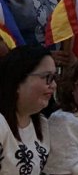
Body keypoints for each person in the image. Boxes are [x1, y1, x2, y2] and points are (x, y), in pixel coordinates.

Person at [0, 45, 56, 174]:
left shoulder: (42, 123)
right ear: (18, 81)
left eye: (54, 77)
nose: (53, 85)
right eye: (47, 77)